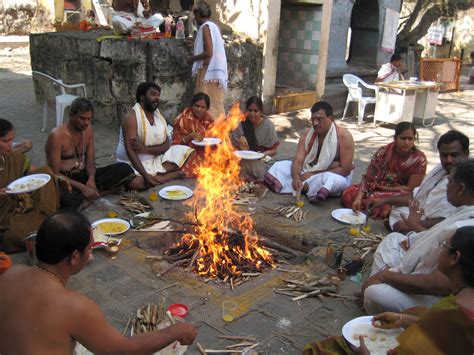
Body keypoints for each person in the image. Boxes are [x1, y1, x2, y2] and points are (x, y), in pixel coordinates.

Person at [0, 211, 198, 354]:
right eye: (90, 248)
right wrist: (175, 331)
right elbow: (123, 350)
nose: (91, 253)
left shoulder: (11, 274)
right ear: (75, 257)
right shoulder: (74, 307)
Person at [302, 226, 474, 355]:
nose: (439, 251)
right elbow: (440, 330)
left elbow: (438, 330)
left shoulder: (450, 315)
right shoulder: (458, 303)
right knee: (417, 311)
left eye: (444, 246)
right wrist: (402, 319)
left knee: (322, 350)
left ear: (454, 258)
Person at [363, 159, 474, 314]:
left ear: (461, 188)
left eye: (449, 182)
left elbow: (440, 285)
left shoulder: (463, 228)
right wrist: (416, 236)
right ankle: (382, 278)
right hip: (425, 273)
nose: (447, 186)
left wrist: (386, 276)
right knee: (394, 239)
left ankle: (379, 286)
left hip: (434, 298)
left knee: (374, 294)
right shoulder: (463, 213)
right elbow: (434, 238)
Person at [46, 98, 137, 210]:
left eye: (89, 119)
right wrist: (82, 187)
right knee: (66, 199)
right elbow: (54, 173)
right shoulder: (56, 136)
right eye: (82, 118)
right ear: (71, 115)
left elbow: (90, 162)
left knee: (124, 169)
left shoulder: (88, 130)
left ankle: (89, 196)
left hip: (84, 175)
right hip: (66, 181)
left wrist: (91, 179)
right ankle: (96, 194)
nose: (86, 123)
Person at [371, 130, 469, 233]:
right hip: (422, 213)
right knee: (397, 208)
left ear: (466, 154)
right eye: (444, 156)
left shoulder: (467, 180)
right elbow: (417, 196)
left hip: (442, 226)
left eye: (454, 155)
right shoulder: (440, 170)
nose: (449, 160)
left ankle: (408, 230)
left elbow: (453, 219)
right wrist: (383, 200)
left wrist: (414, 224)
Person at [264, 101, 354, 203]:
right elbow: (298, 161)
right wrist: (297, 177)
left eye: (320, 119)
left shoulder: (344, 136)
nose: (315, 123)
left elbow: (345, 170)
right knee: (279, 166)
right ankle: (306, 187)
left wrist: (313, 174)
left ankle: (306, 187)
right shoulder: (307, 133)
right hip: (306, 171)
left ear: (330, 118)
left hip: (329, 175)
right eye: (313, 119)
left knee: (333, 180)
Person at [116, 82, 194, 189]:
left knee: (186, 152)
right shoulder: (131, 118)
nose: (157, 98)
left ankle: (155, 177)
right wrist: (145, 176)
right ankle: (166, 176)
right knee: (137, 183)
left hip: (153, 159)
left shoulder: (158, 116)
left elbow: (166, 145)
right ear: (142, 97)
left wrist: (145, 149)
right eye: (153, 94)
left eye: (158, 95)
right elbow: (131, 152)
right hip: (131, 164)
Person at [342, 122, 427, 219]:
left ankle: (377, 206)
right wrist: (358, 198)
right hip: (376, 187)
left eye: (410, 139)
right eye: (403, 138)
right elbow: (368, 177)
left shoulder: (419, 159)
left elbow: (411, 189)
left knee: (378, 199)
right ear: (395, 138)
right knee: (349, 192)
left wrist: (386, 189)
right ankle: (367, 205)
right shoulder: (384, 152)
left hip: (398, 193)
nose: (406, 142)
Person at [0, 119, 60, 253]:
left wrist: (59, 179)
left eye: (12, 140)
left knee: (46, 172)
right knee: (12, 235)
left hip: (15, 205)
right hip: (3, 216)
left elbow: (34, 173)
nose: (10, 145)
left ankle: (44, 218)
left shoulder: (13, 157)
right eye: (5, 141)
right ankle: (43, 225)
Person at [188, 1, 228, 119]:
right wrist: (195, 42)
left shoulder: (205, 28)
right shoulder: (215, 27)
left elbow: (209, 52)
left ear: (199, 15)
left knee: (205, 105)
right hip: (214, 72)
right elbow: (210, 44)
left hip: (207, 72)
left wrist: (192, 59)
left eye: (195, 16)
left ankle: (211, 132)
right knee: (215, 104)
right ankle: (218, 131)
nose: (195, 19)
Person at [231, 96, 279, 182]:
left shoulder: (268, 125)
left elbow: (274, 150)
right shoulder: (242, 123)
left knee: (255, 166)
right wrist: (239, 141)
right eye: (250, 110)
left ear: (261, 112)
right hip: (243, 158)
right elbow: (233, 145)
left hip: (261, 159)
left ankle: (250, 178)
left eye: (256, 111)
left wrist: (261, 155)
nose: (252, 113)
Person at [172, 92, 215, 177]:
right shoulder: (183, 119)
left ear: (207, 108)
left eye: (203, 107)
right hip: (186, 151)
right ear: (192, 105)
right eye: (197, 106)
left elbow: (213, 138)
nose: (199, 109)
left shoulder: (209, 120)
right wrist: (189, 137)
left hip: (205, 151)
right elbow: (175, 144)